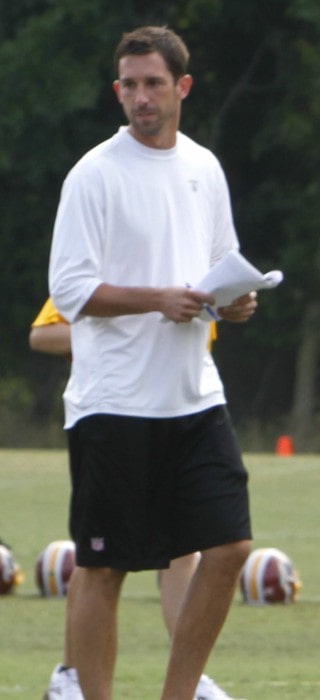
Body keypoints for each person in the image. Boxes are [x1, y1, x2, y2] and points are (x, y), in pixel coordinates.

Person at [48, 25, 257, 700]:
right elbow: (73, 290)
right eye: (129, 85)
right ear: (118, 90)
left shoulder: (205, 168)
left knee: (229, 550)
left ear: (182, 87)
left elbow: (220, 269)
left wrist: (233, 303)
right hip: (114, 403)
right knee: (103, 570)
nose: (140, 97)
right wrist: (155, 299)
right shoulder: (94, 174)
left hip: (195, 397)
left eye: (153, 84)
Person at [30, 300, 229, 700]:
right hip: (116, 412)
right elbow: (43, 334)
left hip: (183, 414)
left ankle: (192, 683)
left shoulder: (194, 261)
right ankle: (70, 677)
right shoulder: (120, 262)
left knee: (184, 551)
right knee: (101, 558)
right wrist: (128, 336)